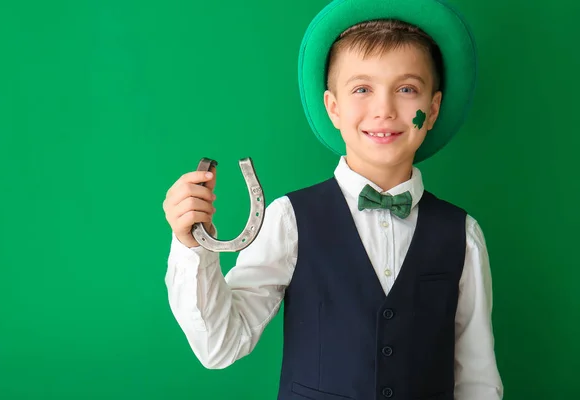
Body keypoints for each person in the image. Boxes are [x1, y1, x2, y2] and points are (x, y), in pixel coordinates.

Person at [162, 0, 504, 398]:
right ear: (333, 107)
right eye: (362, 89)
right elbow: (220, 346)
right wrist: (192, 247)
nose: (384, 109)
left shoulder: (463, 234)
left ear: (432, 110)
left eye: (406, 89)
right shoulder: (288, 219)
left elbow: (477, 379)